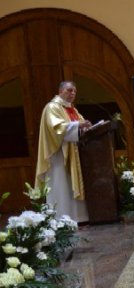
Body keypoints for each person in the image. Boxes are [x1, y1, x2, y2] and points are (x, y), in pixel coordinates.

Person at [36, 81, 92, 223]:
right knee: (61, 185)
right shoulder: (52, 107)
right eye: (69, 90)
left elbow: (80, 124)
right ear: (60, 91)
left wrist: (86, 127)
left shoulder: (72, 109)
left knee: (71, 184)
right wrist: (78, 125)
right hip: (58, 155)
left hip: (74, 152)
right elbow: (57, 129)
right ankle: (61, 218)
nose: (73, 93)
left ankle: (79, 217)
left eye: (74, 91)